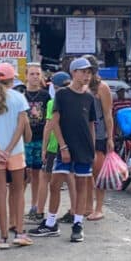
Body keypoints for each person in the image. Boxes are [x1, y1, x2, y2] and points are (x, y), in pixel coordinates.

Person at [39, 58, 96, 243]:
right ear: (74, 73)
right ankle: (50, 222)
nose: (86, 76)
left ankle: (78, 223)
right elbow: (54, 122)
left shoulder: (90, 98)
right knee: (55, 183)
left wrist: (92, 149)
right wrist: (62, 146)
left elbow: (91, 125)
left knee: (81, 186)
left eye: (89, 72)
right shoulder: (62, 95)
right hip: (64, 147)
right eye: (83, 72)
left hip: (84, 148)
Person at [0, 62, 33, 249]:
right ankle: (19, 231)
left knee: (1, 191)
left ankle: (3, 237)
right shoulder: (19, 98)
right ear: (12, 79)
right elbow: (21, 126)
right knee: (18, 191)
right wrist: (10, 149)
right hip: (15, 151)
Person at [31, 71, 72, 237]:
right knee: (72, 180)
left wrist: (44, 147)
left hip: (54, 147)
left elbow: (49, 126)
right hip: (70, 147)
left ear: (54, 86)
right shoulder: (74, 100)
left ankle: (42, 213)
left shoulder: (53, 103)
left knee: (46, 179)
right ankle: (76, 212)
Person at [85, 55, 114, 222]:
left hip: (100, 134)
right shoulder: (80, 87)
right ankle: (87, 207)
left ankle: (98, 208)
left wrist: (110, 137)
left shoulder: (102, 88)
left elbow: (108, 114)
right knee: (84, 174)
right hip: (83, 134)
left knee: (98, 173)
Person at [22, 63, 51, 222]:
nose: (34, 77)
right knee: (24, 174)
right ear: (26, 76)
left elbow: (49, 118)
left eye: (37, 74)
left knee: (38, 174)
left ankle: (35, 205)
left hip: (40, 138)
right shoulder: (21, 95)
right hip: (25, 139)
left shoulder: (46, 96)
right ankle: (19, 204)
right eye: (32, 74)